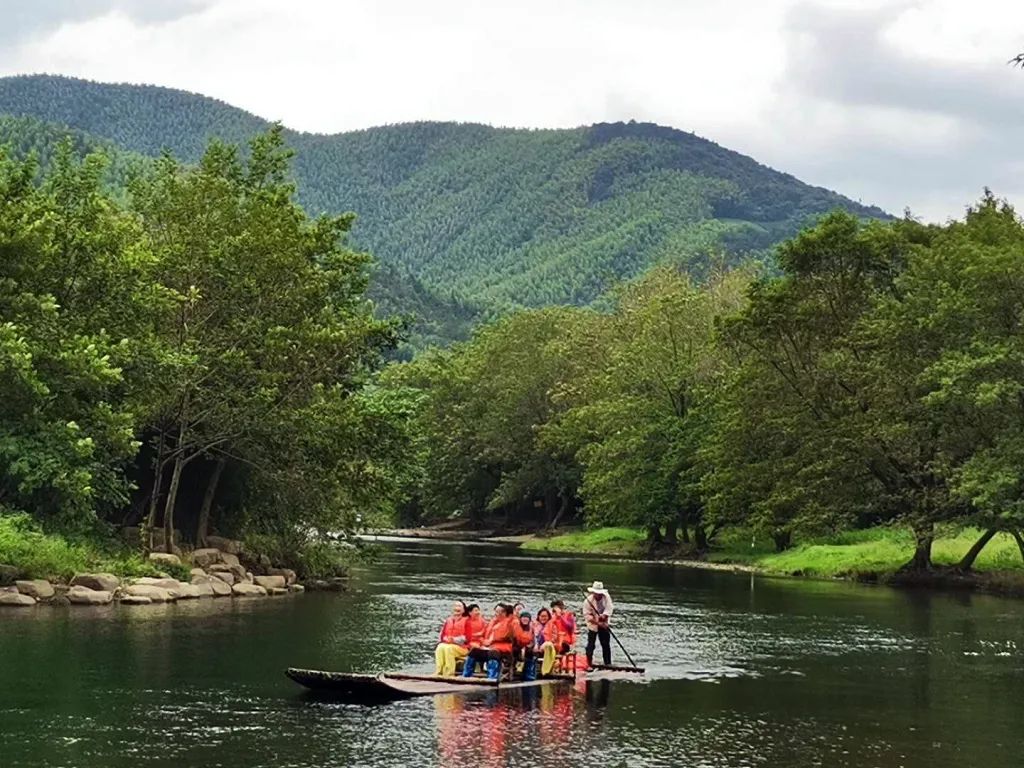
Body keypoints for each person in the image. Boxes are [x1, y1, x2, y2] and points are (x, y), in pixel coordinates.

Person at [463, 603, 514, 680]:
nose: (496, 614)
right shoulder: (492, 622)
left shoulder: (509, 623)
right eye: (496, 611)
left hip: (502, 649)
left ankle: (492, 677)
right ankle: (466, 675)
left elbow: (507, 636)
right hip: (488, 647)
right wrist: (481, 640)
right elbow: (483, 634)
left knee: (493, 653)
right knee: (473, 651)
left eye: (498, 612)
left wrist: (491, 641)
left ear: (504, 613)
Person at [583, 580, 613, 667]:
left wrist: (604, 617)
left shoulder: (606, 597)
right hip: (593, 624)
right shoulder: (588, 601)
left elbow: (609, 609)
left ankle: (608, 663)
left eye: (599, 593)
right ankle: (588, 663)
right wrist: (597, 623)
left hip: (604, 623)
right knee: (591, 644)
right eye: (596, 593)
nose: (598, 595)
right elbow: (587, 616)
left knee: (605, 644)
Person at [434, 600, 468, 676]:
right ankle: (439, 672)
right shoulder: (448, 620)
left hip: (463, 647)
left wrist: (454, 640)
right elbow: (442, 635)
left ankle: (449, 673)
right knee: (440, 647)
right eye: (455, 606)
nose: (457, 608)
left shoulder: (467, 621)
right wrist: (446, 639)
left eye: (459, 606)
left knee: (449, 649)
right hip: (448, 644)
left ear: (463, 610)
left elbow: (468, 637)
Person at [533, 607, 559, 676]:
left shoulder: (553, 626)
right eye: (541, 616)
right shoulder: (534, 625)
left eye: (545, 616)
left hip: (546, 647)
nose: (543, 618)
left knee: (548, 644)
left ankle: (546, 670)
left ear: (548, 617)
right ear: (538, 616)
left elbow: (554, 638)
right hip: (535, 646)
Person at [512, 610, 536, 680]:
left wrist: (530, 646)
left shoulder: (531, 629)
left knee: (530, 652)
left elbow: (532, 641)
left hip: (526, 647)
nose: (525, 619)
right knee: (515, 650)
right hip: (516, 646)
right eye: (523, 617)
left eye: (527, 618)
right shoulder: (515, 627)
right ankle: (514, 669)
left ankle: (527, 672)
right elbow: (513, 640)